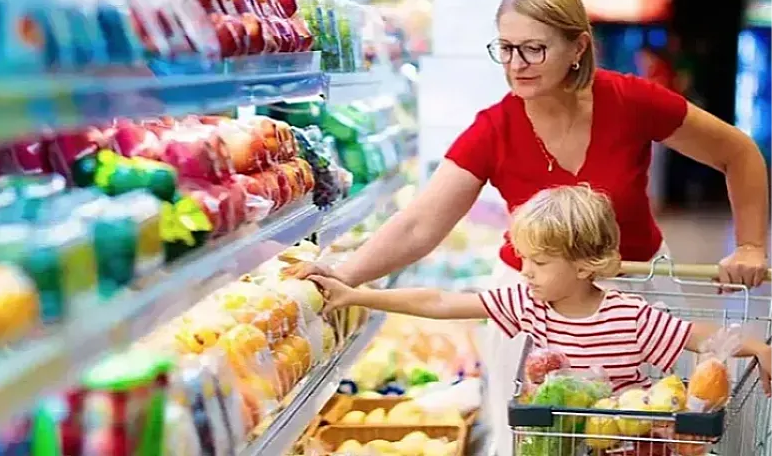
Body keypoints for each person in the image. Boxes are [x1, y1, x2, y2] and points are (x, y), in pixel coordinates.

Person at [286, 0, 769, 292]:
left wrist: (750, 245)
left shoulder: (630, 100)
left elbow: (739, 152)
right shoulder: (495, 129)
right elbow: (419, 225)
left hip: (637, 293)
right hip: (532, 307)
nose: (516, 66)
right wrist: (343, 274)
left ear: (577, 47)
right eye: (507, 48)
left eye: (534, 49)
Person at [308, 185, 772, 432]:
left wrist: (756, 347)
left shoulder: (629, 315)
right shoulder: (529, 304)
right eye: (525, 259)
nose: (525, 271)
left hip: (622, 444)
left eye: (540, 262)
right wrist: (357, 293)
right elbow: (442, 300)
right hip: (555, 443)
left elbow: (695, 335)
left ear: (586, 266)